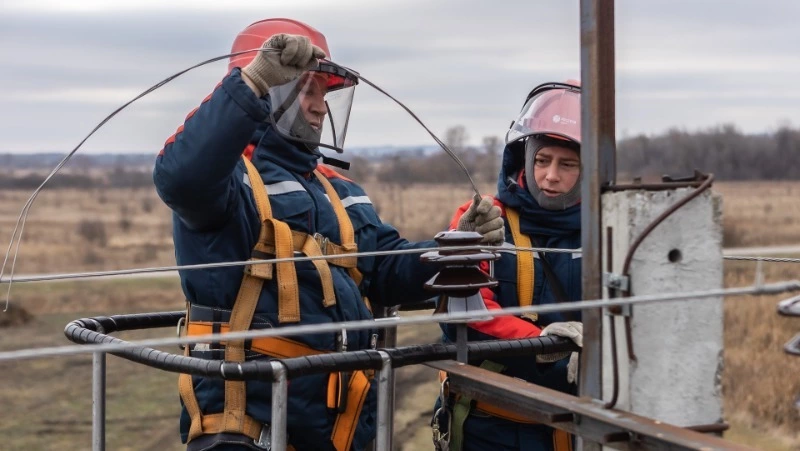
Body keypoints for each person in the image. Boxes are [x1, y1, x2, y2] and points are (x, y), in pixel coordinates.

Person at [153, 18, 503, 451]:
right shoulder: (227, 185)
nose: (320, 107)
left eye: (324, 93)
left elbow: (384, 266)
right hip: (248, 430)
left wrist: (454, 247)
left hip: (336, 426)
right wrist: (251, 84)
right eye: (306, 90)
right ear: (269, 90)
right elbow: (180, 177)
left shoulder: (338, 191)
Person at [436, 81, 584, 451]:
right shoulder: (483, 219)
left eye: (567, 164)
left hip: (576, 428)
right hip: (487, 425)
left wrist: (601, 350)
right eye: (542, 160)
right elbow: (468, 315)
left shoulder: (607, 229)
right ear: (524, 158)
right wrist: (546, 342)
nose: (551, 175)